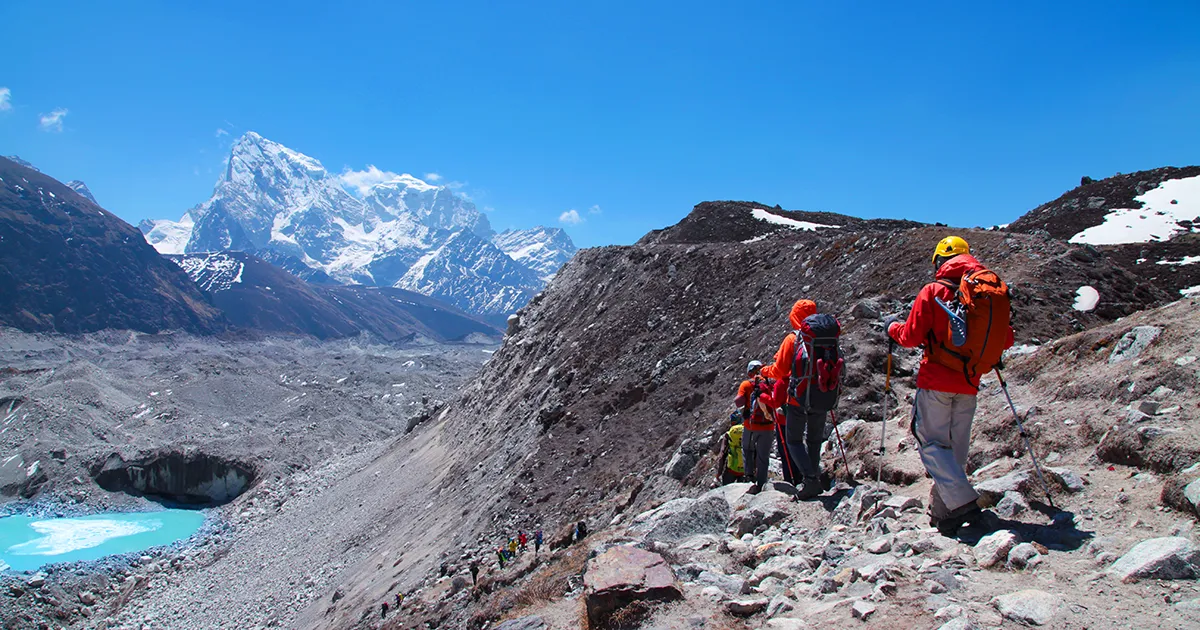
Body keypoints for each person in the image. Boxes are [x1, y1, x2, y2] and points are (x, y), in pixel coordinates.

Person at [886, 236, 1014, 536]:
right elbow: (1005, 338)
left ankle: (965, 505)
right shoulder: (988, 292)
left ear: (940, 260)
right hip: (970, 382)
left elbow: (911, 337)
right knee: (956, 449)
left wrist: (892, 328)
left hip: (936, 379)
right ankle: (945, 514)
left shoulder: (934, 291)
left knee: (930, 443)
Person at [761, 299, 826, 499]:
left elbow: (780, 371)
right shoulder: (826, 336)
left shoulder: (793, 339)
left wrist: (765, 371)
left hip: (798, 397)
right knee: (815, 440)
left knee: (794, 441)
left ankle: (810, 479)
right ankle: (813, 477)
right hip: (823, 394)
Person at [735, 360, 776, 494]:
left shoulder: (746, 384)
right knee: (763, 456)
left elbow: (738, 401)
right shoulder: (770, 383)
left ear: (749, 372)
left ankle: (749, 477)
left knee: (747, 449)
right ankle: (762, 483)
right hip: (768, 425)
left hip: (751, 425)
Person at [716, 411, 746, 485]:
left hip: (732, 468)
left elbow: (722, 454)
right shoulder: (748, 431)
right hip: (745, 469)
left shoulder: (729, 434)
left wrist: (719, 473)